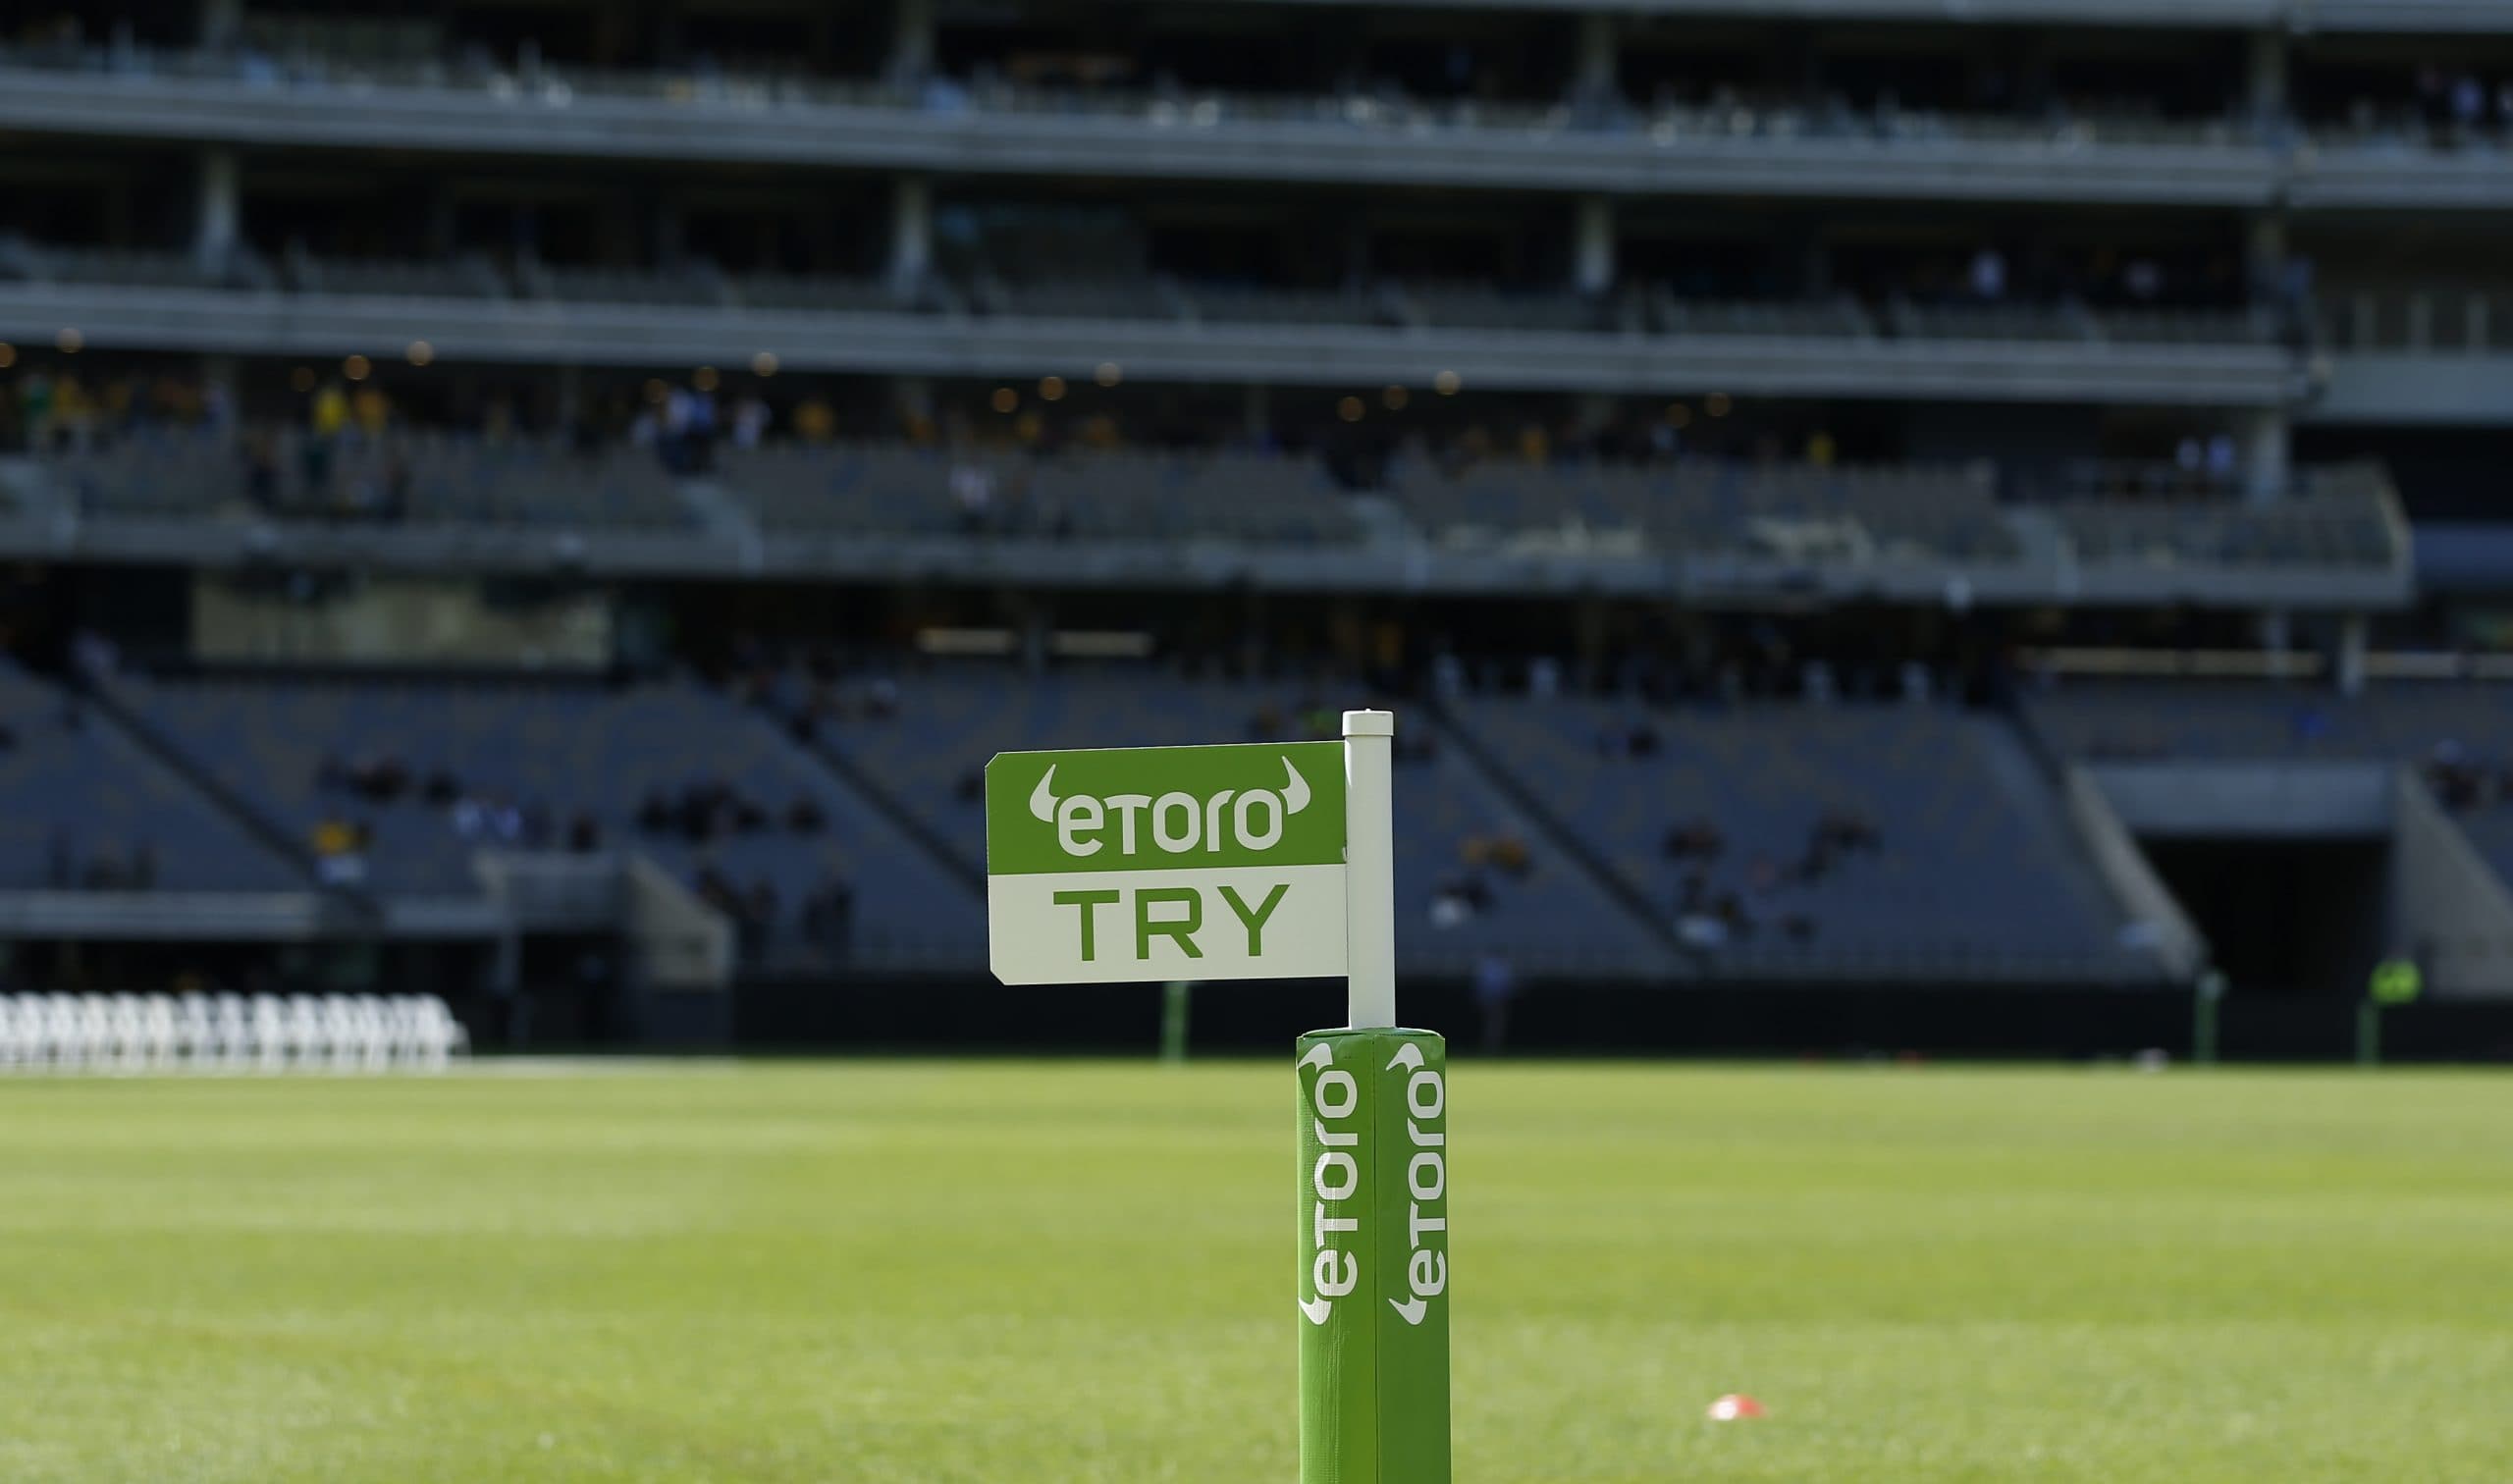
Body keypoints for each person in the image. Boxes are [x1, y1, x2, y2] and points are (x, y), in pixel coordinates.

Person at [1472, 950, 1517, 1053]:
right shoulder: (1494, 966)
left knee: (1495, 1023)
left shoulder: (1491, 966)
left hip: (1494, 999)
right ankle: (1491, 1045)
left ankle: (1493, 1044)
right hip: (1492, 999)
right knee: (1494, 1023)